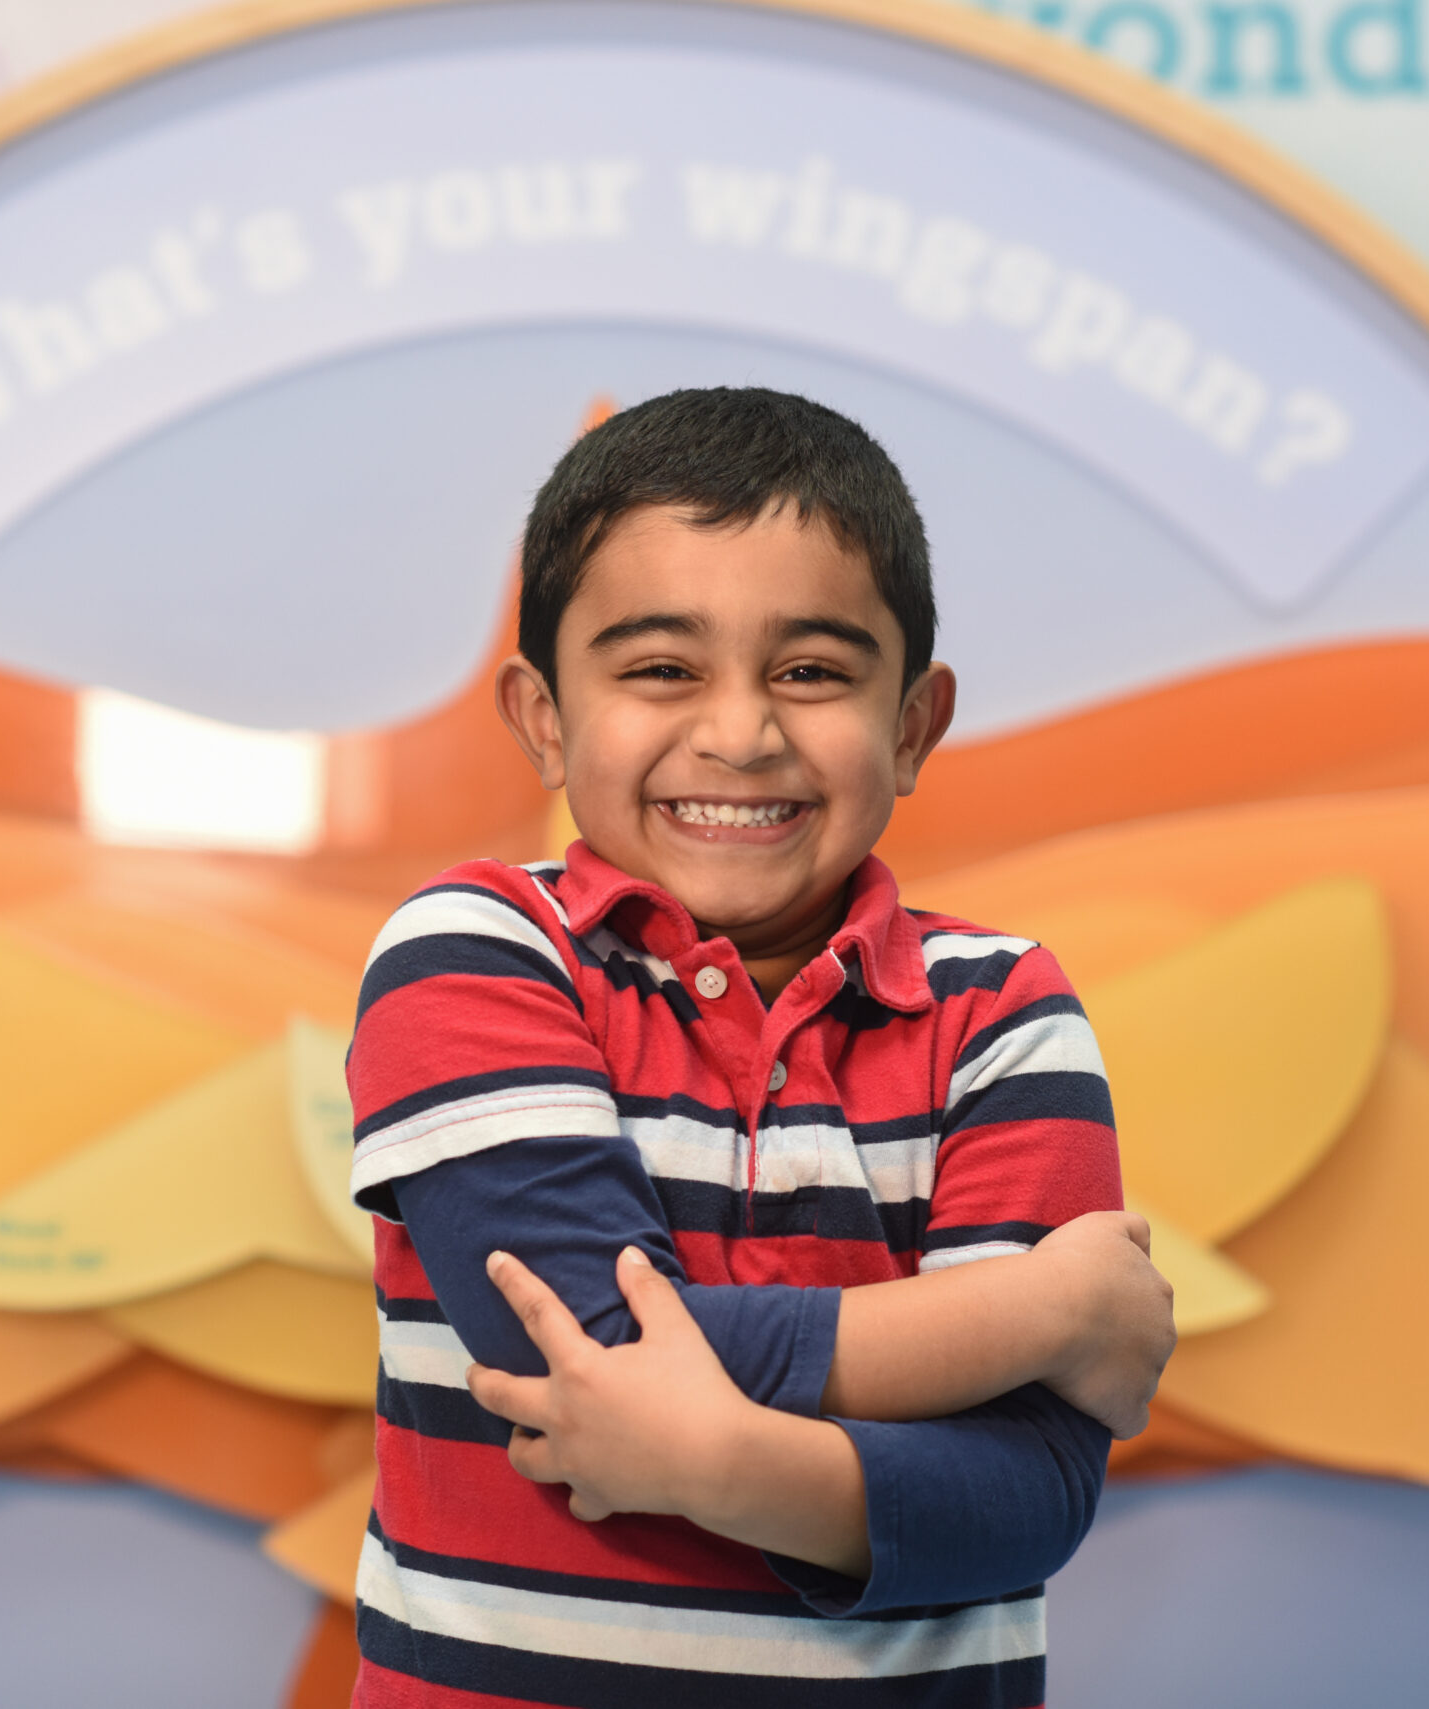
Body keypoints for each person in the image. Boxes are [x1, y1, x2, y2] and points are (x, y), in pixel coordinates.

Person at [344, 386, 1177, 1707]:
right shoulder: (477, 947)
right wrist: (1044, 1311)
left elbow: (1026, 1499)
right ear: (545, 715)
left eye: (813, 669)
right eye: (661, 665)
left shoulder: (1001, 1009)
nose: (741, 732)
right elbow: (574, 1338)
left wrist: (711, 1456)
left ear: (912, 724)